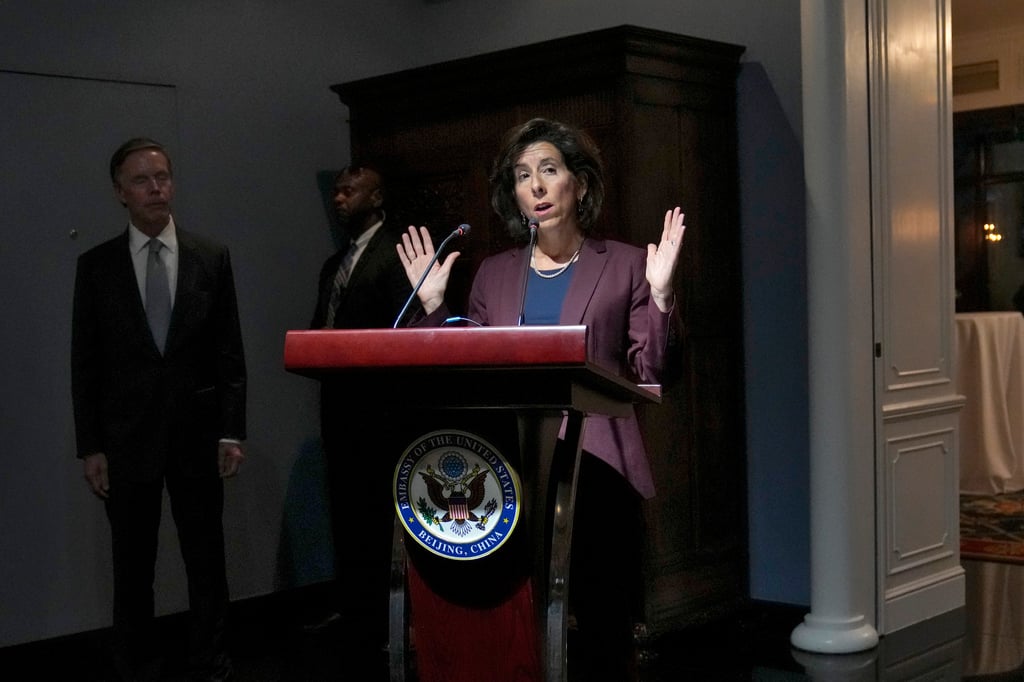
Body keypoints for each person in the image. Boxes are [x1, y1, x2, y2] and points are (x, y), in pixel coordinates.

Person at [396, 117, 686, 681]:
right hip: (511, 474)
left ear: (579, 183)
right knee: (519, 629)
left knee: (602, 635)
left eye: (549, 170)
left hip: (598, 473)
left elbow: (652, 372)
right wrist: (433, 307)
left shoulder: (626, 264)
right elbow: (469, 372)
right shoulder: (494, 274)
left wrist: (661, 295)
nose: (535, 186)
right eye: (522, 175)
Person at [71, 137, 247, 682]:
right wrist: (91, 445)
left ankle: (211, 660)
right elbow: (85, 363)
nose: (156, 188)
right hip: (126, 439)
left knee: (206, 558)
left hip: (198, 435)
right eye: (142, 180)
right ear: (120, 192)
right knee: (132, 564)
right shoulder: (96, 266)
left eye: (163, 177)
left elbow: (229, 353)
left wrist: (231, 431)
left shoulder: (210, 256)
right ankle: (136, 665)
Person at [306, 162, 413, 666]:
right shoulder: (335, 264)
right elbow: (319, 329)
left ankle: (386, 618)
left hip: (381, 410)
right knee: (344, 509)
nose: (339, 199)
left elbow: (404, 332)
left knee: (378, 513)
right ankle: (354, 610)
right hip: (338, 407)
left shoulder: (395, 253)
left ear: (377, 197)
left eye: (350, 191)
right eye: (337, 191)